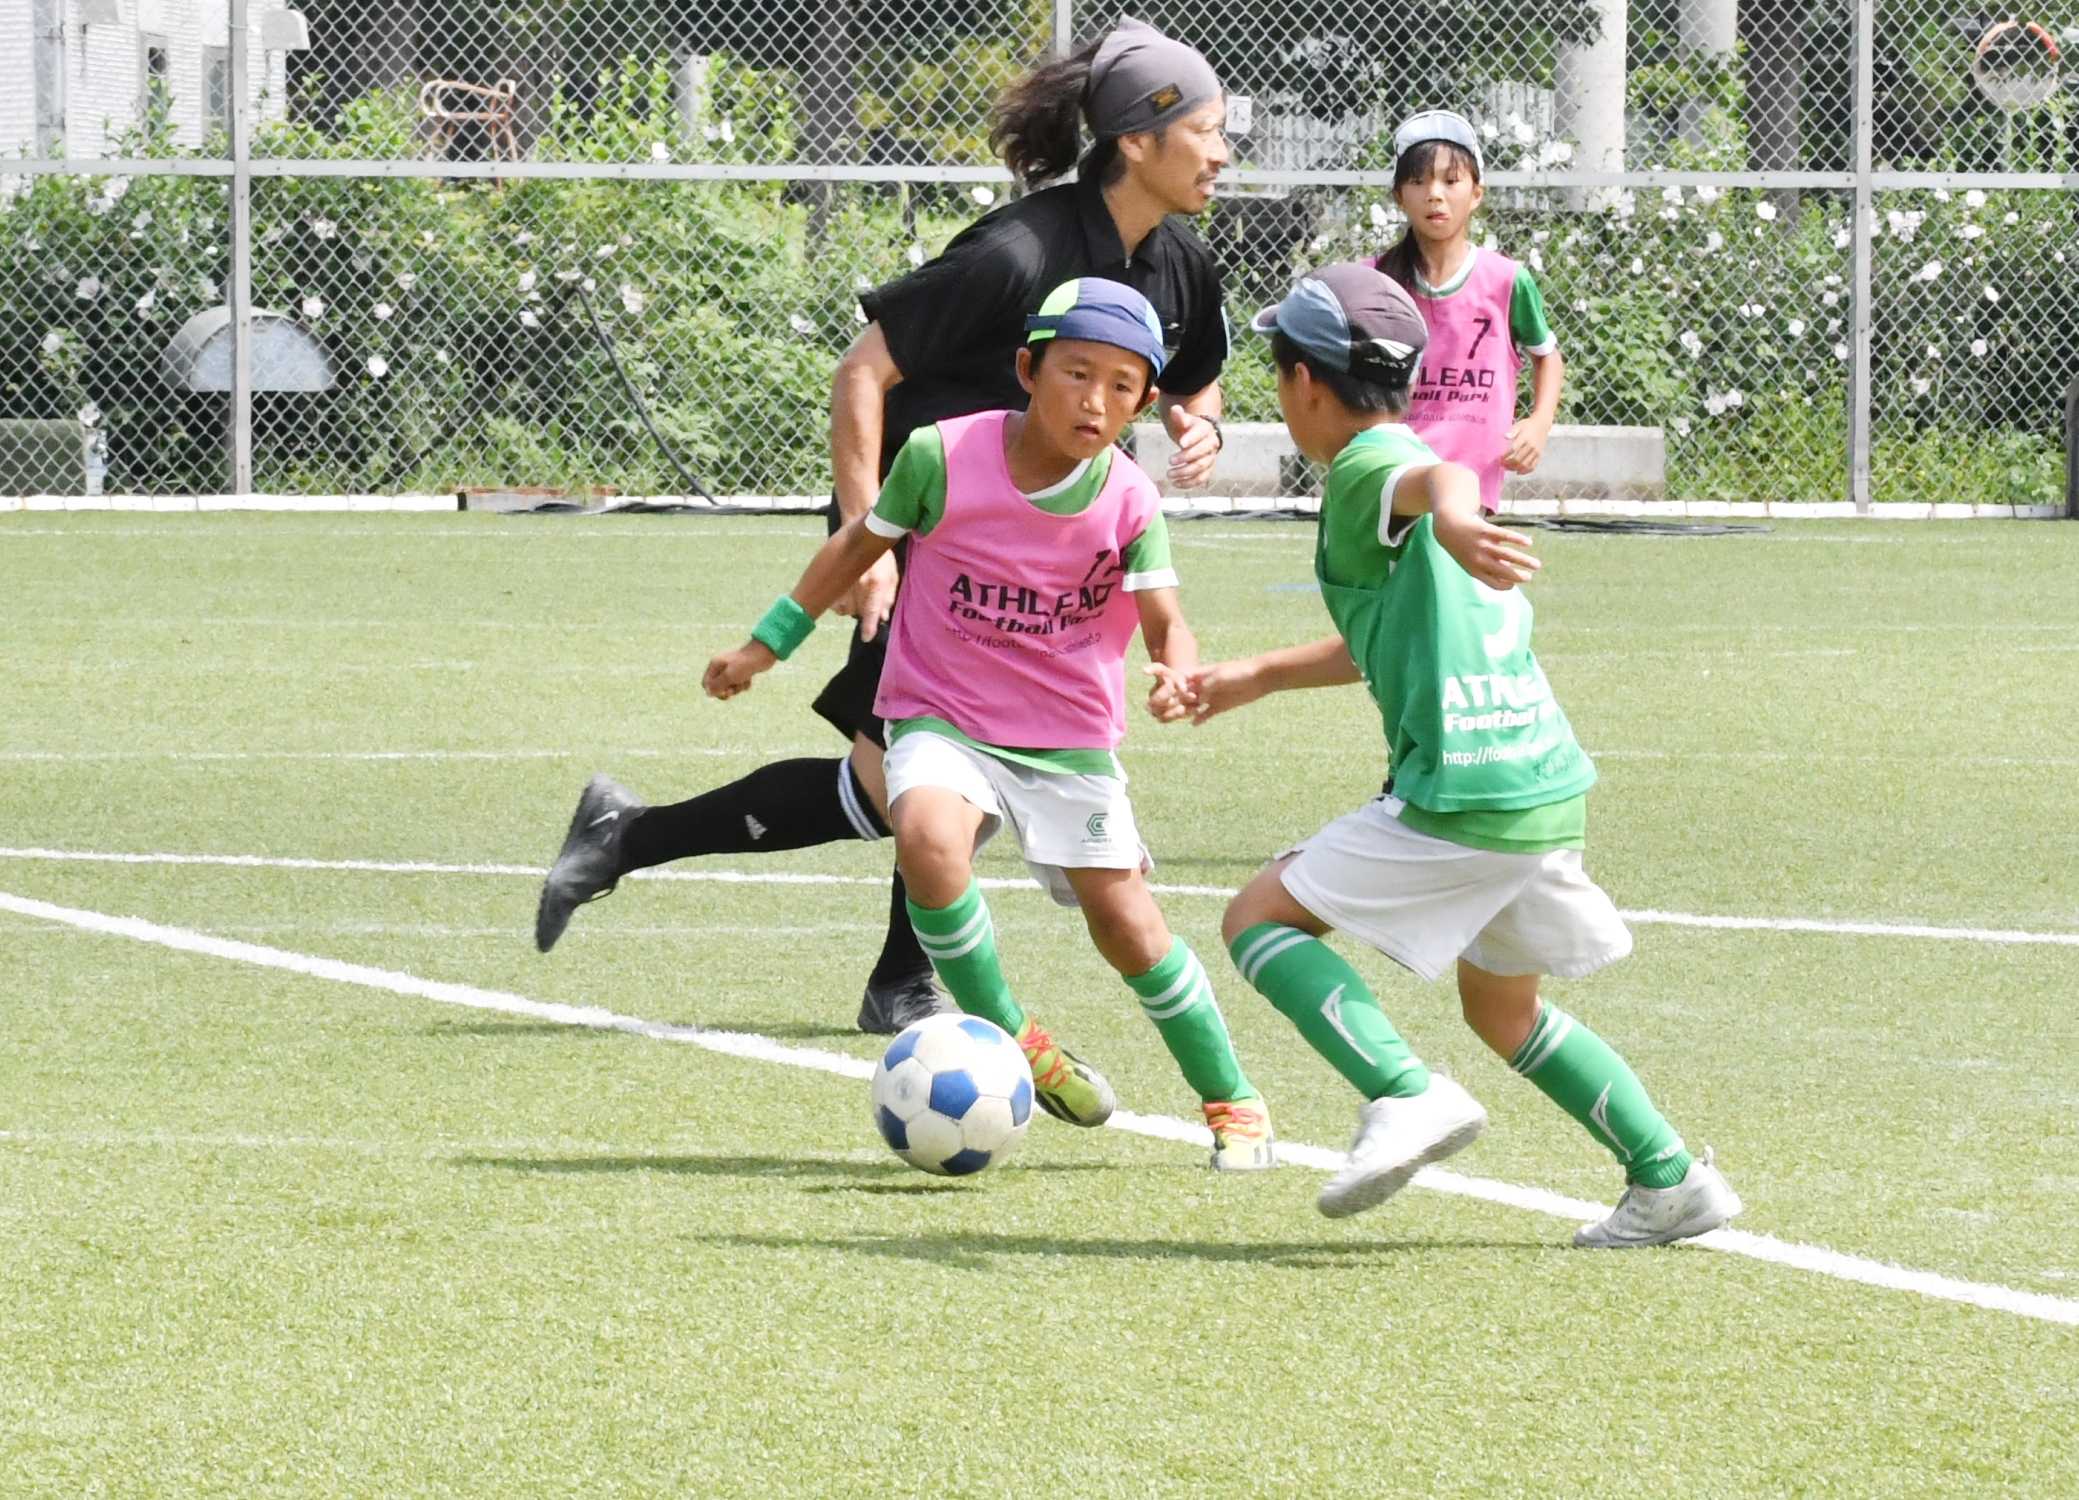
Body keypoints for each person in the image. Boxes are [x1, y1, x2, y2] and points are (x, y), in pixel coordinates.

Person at [533, 19, 1235, 1036]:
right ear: (1137, 140)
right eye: (1208, 131)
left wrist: (1197, 424)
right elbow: (863, 371)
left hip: (1038, 550)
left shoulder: (1178, 262)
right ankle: (878, 968)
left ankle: (636, 842)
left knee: (898, 779)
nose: (1223, 153)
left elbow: (1194, 374)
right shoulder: (1017, 253)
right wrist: (869, 542)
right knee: (930, 769)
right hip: (924, 529)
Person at [1181, 263, 1740, 1239]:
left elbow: (1436, 484)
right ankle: (1669, 1177)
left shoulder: (1367, 468)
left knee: (1258, 920)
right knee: (1501, 1011)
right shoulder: (1406, 462)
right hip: (1540, 780)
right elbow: (1387, 631)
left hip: (1465, 794)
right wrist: (1257, 674)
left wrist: (1453, 512)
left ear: (1303, 382)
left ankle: (1403, 1092)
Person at [702, 279, 1275, 1170]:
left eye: (1121, 386)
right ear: (1027, 370)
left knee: (1126, 925)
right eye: (1076, 373)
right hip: (943, 714)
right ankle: (1018, 1041)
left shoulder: (1129, 500)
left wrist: (1177, 668)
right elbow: (857, 545)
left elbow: (1167, 619)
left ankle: (1233, 1103)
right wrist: (765, 644)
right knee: (926, 839)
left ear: (1143, 405)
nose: (1095, 401)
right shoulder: (940, 454)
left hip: (1067, 738)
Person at [1368, 110, 1564, 515]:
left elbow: (1547, 356)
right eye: (1418, 181)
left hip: (1471, 485)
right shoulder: (1374, 280)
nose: (1434, 194)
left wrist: (1539, 422)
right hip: (1393, 475)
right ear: (1399, 196)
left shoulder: (1507, 280)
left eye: (1451, 180)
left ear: (1476, 194)